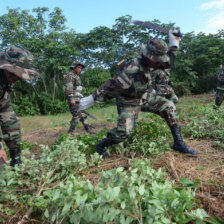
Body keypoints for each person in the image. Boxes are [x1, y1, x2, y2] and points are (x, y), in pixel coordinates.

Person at [79, 30, 197, 158]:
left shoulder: (156, 61)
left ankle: (178, 143)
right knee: (124, 133)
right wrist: (90, 100)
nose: (160, 62)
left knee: (169, 107)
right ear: (149, 56)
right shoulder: (132, 70)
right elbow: (110, 87)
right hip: (128, 101)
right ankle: (101, 145)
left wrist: (174, 41)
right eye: (158, 60)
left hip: (145, 96)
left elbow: (170, 60)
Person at [0, 45, 40, 166]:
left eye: (19, 74)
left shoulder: (6, 79)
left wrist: (15, 156)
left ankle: (15, 158)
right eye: (13, 73)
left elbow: (5, 111)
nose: (16, 77)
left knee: (12, 122)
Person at [65, 61, 94, 134]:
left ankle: (88, 130)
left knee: (83, 115)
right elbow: (69, 87)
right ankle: (70, 133)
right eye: (79, 67)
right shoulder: (70, 75)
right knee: (76, 116)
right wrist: (71, 98)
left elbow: (78, 89)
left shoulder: (77, 76)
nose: (80, 69)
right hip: (74, 99)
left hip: (79, 99)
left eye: (81, 68)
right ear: (74, 67)